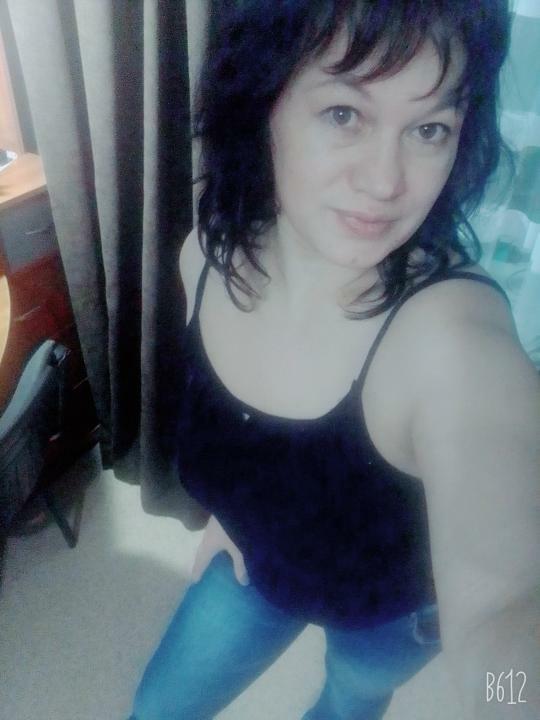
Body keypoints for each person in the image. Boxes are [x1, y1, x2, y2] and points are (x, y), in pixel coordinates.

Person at [129, 1, 540, 718]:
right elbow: (242, 439)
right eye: (345, 114)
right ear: (263, 103)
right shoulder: (204, 258)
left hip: (389, 619)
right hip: (255, 565)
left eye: (430, 129)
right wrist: (231, 512)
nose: (386, 182)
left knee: (349, 702)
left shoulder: (453, 344)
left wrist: (515, 693)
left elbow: (505, 608)